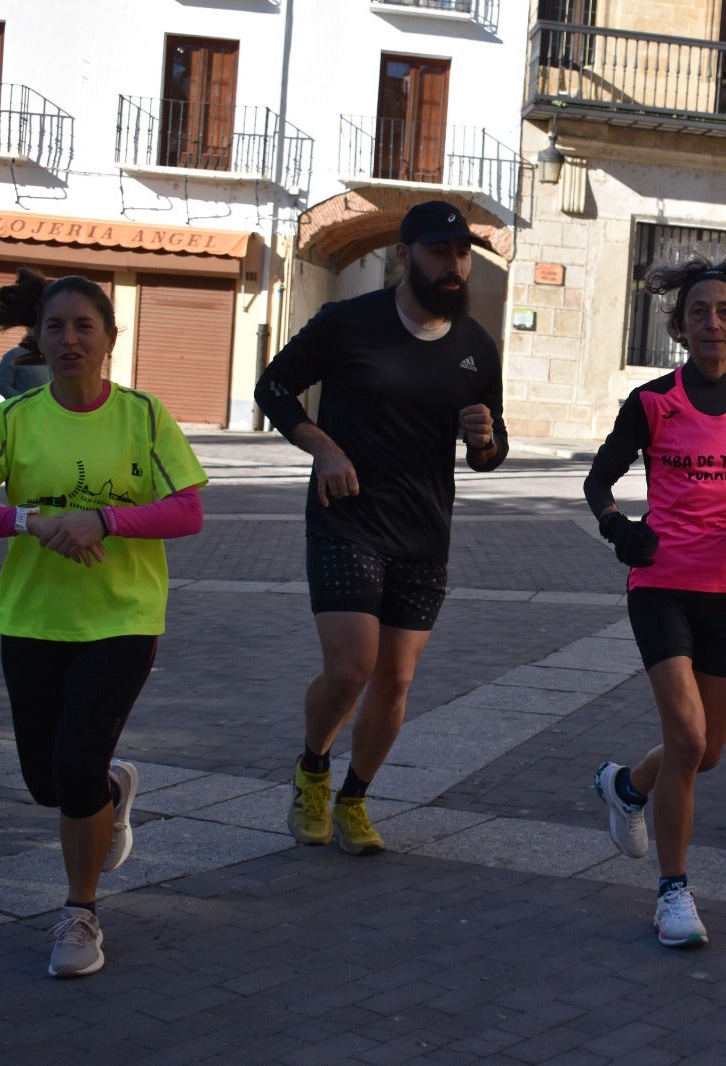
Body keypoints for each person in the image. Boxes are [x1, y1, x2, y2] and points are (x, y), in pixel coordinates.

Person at [0, 269, 207, 977]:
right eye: (56, 327)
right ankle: (112, 791)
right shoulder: (16, 421)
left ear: (111, 338)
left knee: (73, 764)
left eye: (85, 325)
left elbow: (187, 510)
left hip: (123, 619)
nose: (70, 339)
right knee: (47, 782)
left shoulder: (145, 417)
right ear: (40, 341)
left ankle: (80, 914)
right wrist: (29, 520)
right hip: (32, 620)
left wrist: (104, 519)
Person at [254, 201, 508, 856]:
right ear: (404, 255)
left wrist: (484, 441)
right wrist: (325, 449)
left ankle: (355, 798)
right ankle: (314, 766)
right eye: (438, 251)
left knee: (395, 679)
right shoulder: (348, 323)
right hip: (348, 518)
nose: (452, 266)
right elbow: (275, 389)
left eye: (461, 253)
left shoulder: (476, 349)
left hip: (424, 532)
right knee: (351, 667)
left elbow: (490, 447)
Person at [586, 253, 726, 947]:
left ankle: (626, 788)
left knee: (704, 752)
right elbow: (599, 481)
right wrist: (620, 530)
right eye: (700, 312)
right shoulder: (652, 402)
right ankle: (674, 893)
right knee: (686, 736)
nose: (713, 322)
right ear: (680, 326)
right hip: (660, 584)